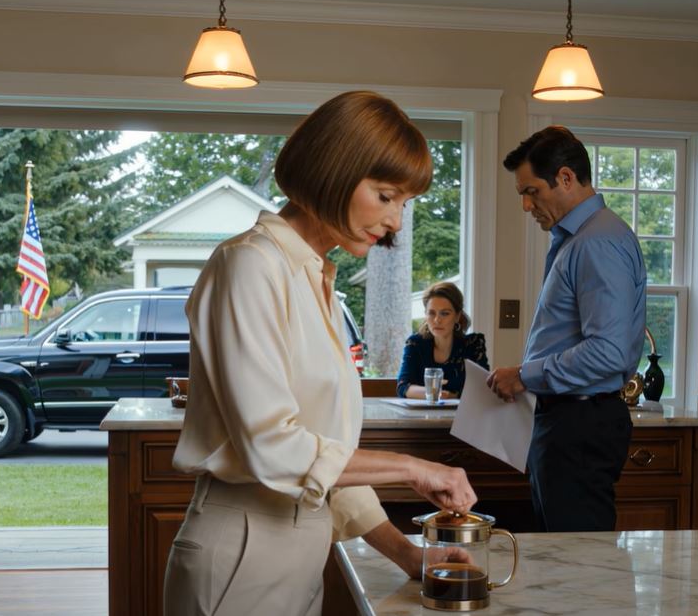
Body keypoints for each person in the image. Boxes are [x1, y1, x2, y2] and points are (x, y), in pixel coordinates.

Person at [164, 91, 477, 616]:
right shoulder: (248, 267)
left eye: (403, 203)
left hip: (301, 554)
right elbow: (274, 448)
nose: (396, 222)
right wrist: (412, 468)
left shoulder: (318, 280)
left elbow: (324, 461)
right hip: (243, 551)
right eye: (386, 196)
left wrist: (409, 555)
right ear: (333, 172)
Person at [487, 125, 646, 533]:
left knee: (579, 567)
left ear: (565, 178)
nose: (526, 206)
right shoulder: (581, 239)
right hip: (568, 420)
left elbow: (608, 352)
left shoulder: (596, 243)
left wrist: (524, 376)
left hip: (579, 423)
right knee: (560, 560)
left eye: (531, 192)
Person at [396, 282, 489, 399]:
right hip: (420, 415)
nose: (437, 320)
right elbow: (403, 387)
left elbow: (482, 388)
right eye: (431, 313)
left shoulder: (473, 344)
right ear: (425, 314)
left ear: (457, 316)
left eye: (445, 313)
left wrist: (447, 395)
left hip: (464, 415)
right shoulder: (415, 343)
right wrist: (437, 394)